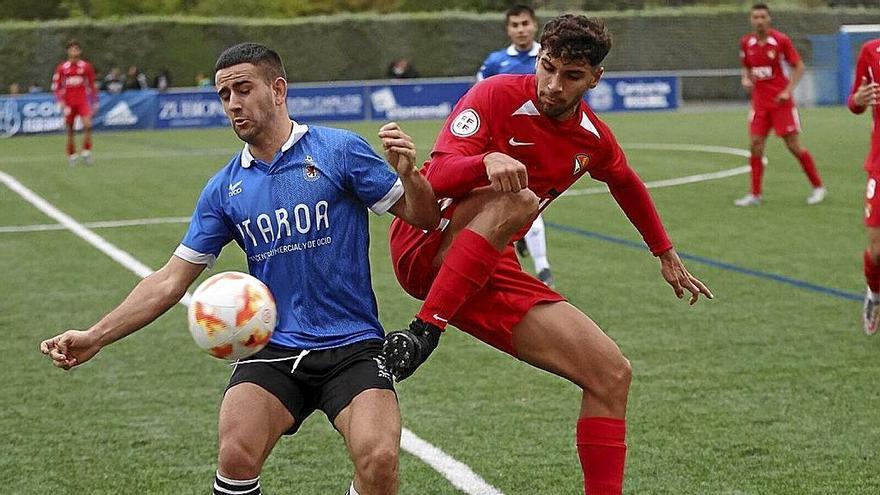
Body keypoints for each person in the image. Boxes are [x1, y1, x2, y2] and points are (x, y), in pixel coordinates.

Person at [40, 42, 440, 495]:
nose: (233, 104)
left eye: (243, 89)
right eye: (224, 95)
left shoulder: (339, 151)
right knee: (236, 453)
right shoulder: (223, 189)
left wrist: (411, 174)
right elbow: (170, 281)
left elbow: (424, 218)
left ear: (278, 89)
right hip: (272, 348)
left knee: (380, 459)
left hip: (352, 345)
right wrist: (94, 336)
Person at [383, 15, 712, 495]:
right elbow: (431, 183)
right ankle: (423, 332)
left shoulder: (593, 138)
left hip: (486, 268)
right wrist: (484, 161)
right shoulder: (496, 94)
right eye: (548, 68)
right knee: (521, 199)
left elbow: (625, 181)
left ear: (595, 78)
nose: (553, 85)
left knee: (610, 374)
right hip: (427, 243)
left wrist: (664, 252)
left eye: (571, 76)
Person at [476, 4, 555, 286]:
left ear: (534, 26)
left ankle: (542, 267)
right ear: (508, 29)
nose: (521, 29)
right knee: (513, 202)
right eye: (515, 25)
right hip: (504, 147)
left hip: (539, 144)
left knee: (531, 202)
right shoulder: (495, 63)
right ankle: (528, 265)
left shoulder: (550, 59)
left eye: (525, 24)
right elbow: (479, 100)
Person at [735, 3, 826, 207]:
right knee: (755, 145)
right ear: (751, 20)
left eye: (762, 17)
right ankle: (755, 194)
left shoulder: (781, 40)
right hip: (759, 104)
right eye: (755, 17)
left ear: (769, 19)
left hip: (780, 103)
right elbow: (746, 67)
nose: (759, 20)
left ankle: (818, 187)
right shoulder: (746, 42)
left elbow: (799, 66)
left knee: (793, 146)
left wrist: (787, 90)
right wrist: (745, 78)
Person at [848, 38, 880, 334]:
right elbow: (854, 103)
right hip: (879, 165)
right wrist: (858, 99)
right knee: (876, 248)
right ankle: (874, 293)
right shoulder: (871, 52)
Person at [51, 39, 98, 166]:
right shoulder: (62, 68)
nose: (74, 51)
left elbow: (92, 85)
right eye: (72, 49)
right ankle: (71, 154)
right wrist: (60, 100)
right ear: (68, 51)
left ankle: (86, 151)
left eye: (76, 49)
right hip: (69, 102)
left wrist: (95, 101)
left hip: (82, 101)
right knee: (70, 129)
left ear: (80, 51)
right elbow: (56, 86)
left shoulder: (86, 66)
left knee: (88, 125)